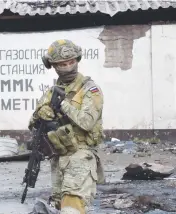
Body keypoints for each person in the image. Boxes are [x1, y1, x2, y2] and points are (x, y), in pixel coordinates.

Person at [28, 39, 105, 214]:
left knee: (72, 207)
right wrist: (40, 114)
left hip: (81, 155)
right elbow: (32, 125)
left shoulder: (90, 89)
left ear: (77, 60)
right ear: (53, 66)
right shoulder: (51, 92)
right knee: (58, 206)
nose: (68, 67)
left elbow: (87, 122)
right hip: (58, 158)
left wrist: (63, 104)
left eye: (71, 62)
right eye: (62, 64)